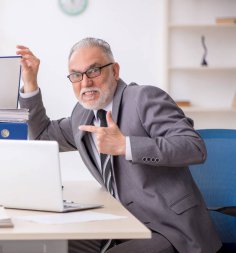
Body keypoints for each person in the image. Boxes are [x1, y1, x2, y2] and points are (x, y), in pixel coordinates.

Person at [16, 38, 222, 253]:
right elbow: (42, 135)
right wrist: (30, 83)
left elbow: (193, 146)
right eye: (76, 75)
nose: (85, 82)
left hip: (170, 231)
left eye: (94, 70)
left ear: (115, 71)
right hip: (119, 226)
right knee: (48, 247)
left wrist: (127, 145)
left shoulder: (143, 98)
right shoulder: (82, 114)